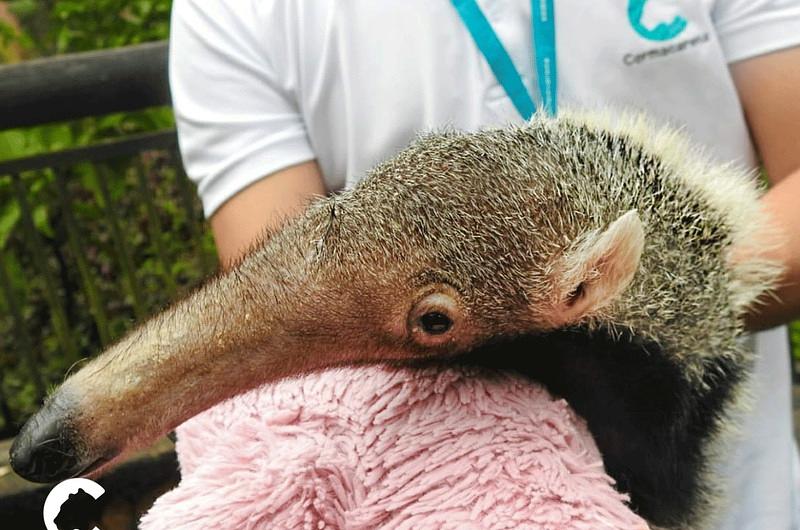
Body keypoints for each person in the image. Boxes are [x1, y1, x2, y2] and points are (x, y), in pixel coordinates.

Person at [168, 1, 800, 527]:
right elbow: (292, 313)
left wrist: (637, 316)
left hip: (731, 484)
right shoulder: (234, 10)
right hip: (426, 484)